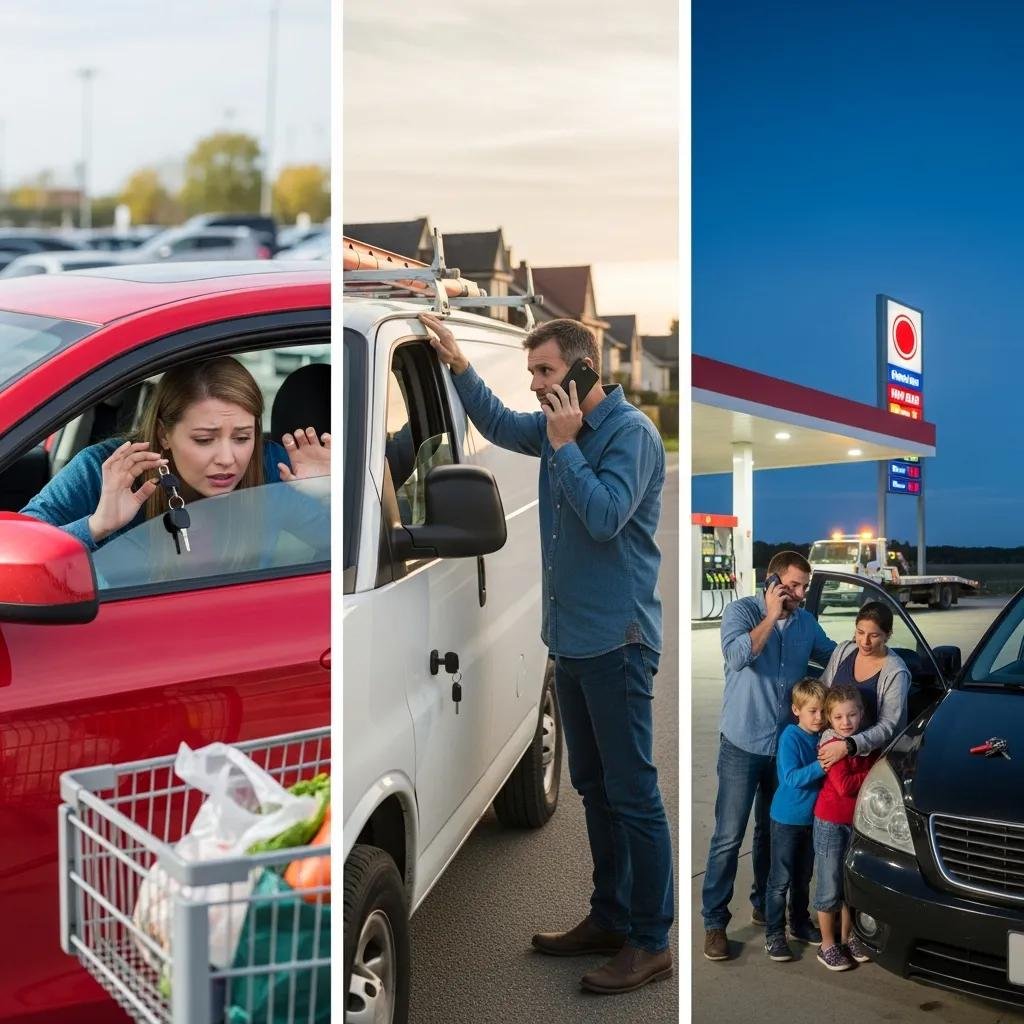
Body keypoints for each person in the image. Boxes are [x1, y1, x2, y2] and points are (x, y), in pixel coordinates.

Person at [418, 311, 673, 995]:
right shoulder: (557, 426)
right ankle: (610, 918)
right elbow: (500, 424)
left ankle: (652, 942)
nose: (535, 384)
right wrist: (459, 365)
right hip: (573, 641)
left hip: (619, 643)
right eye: (532, 371)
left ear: (584, 370)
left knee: (634, 796)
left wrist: (564, 446)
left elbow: (605, 517)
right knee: (594, 787)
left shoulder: (630, 435)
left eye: (545, 371)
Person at [21, 356, 330, 553]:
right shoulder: (107, 471)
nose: (227, 458)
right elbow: (17, 548)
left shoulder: (273, 467)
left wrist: (328, 496)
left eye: (242, 437)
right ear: (163, 434)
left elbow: (338, 558)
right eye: (204, 439)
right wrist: (96, 526)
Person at [702, 550, 836, 962]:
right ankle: (715, 923)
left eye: (804, 587)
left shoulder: (806, 623)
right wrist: (771, 616)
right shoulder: (741, 613)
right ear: (772, 582)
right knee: (729, 836)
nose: (800, 594)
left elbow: (835, 658)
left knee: (770, 831)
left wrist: (881, 657)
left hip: (784, 749)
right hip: (742, 744)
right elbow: (739, 656)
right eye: (793, 585)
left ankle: (764, 904)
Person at [812, 684, 879, 970]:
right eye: (838, 717)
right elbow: (844, 786)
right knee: (829, 885)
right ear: (829, 719)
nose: (846, 722)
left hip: (856, 823)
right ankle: (827, 944)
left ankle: (848, 938)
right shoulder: (831, 746)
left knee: (849, 884)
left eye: (851, 715)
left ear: (861, 713)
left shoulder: (865, 743)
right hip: (830, 822)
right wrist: (873, 771)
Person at [763, 678, 827, 962]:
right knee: (780, 881)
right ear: (796, 710)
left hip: (811, 821)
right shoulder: (791, 737)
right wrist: (822, 765)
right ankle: (774, 934)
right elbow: (790, 777)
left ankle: (799, 923)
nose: (818, 717)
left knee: (803, 877)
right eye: (812, 711)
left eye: (822, 711)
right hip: (787, 820)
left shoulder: (823, 737)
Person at [817, 601, 910, 772]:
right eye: (860, 632)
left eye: (874, 635)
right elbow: (823, 690)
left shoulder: (896, 672)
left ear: (887, 635)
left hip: (868, 762)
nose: (865, 641)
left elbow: (888, 725)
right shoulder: (843, 651)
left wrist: (848, 746)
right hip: (829, 748)